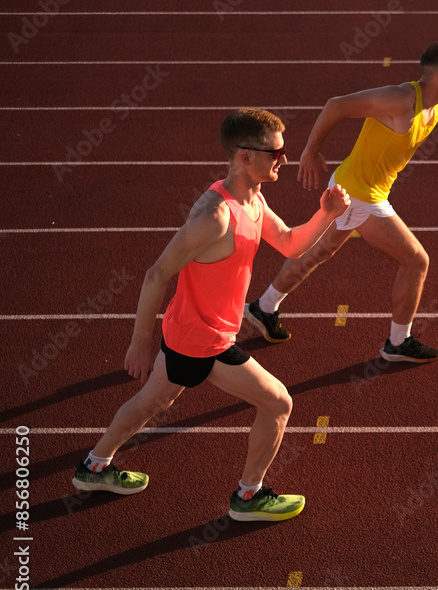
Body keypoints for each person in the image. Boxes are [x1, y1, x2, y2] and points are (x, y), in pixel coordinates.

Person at [71, 108, 351, 522]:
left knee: (153, 401)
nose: (283, 159)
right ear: (244, 156)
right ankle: (248, 497)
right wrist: (138, 342)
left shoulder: (251, 198)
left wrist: (326, 213)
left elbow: (291, 244)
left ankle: (94, 467)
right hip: (203, 341)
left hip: (193, 331)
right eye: (275, 152)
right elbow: (156, 274)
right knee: (278, 404)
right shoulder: (214, 216)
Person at [244, 40, 438, 363]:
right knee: (416, 261)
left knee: (318, 252)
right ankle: (398, 343)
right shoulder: (400, 100)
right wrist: (311, 151)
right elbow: (336, 105)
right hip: (358, 193)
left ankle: (263, 307)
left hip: (357, 187)